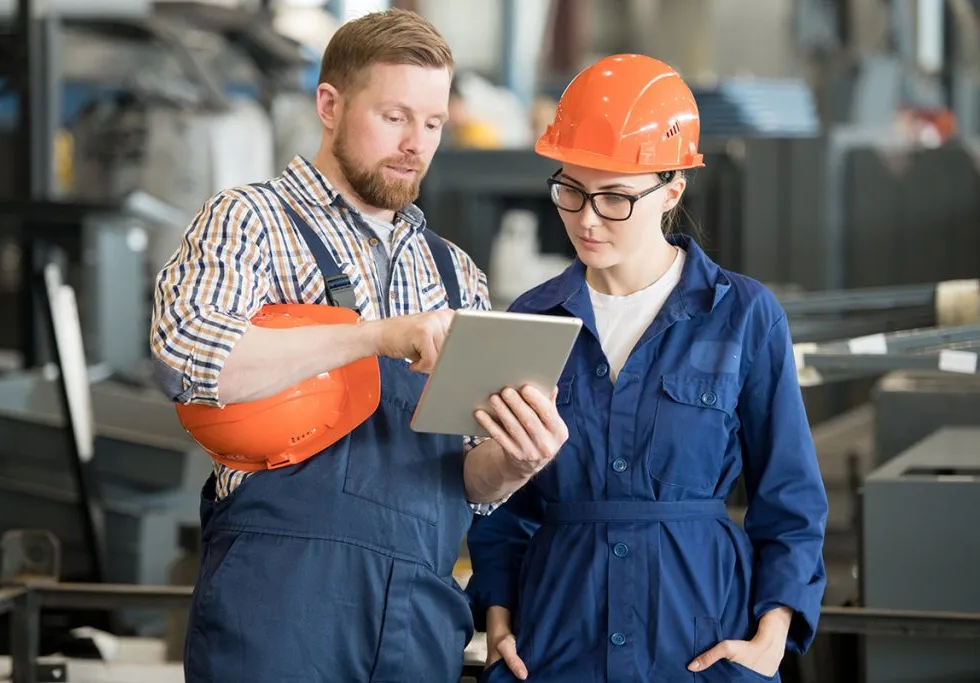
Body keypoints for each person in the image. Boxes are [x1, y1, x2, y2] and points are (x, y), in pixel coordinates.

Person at [149, 10, 568, 683]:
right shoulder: (251, 221)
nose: (416, 144)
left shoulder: (455, 273)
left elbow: (466, 476)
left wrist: (515, 460)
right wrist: (376, 335)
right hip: (281, 609)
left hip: (418, 617)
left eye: (432, 123)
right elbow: (189, 359)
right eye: (395, 116)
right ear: (329, 105)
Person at [465, 54, 829, 683]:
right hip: (557, 641)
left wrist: (772, 635)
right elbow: (503, 501)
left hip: (699, 639)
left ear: (672, 191)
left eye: (613, 198)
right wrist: (497, 614)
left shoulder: (742, 316)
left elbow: (789, 495)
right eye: (571, 189)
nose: (585, 218)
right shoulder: (535, 316)